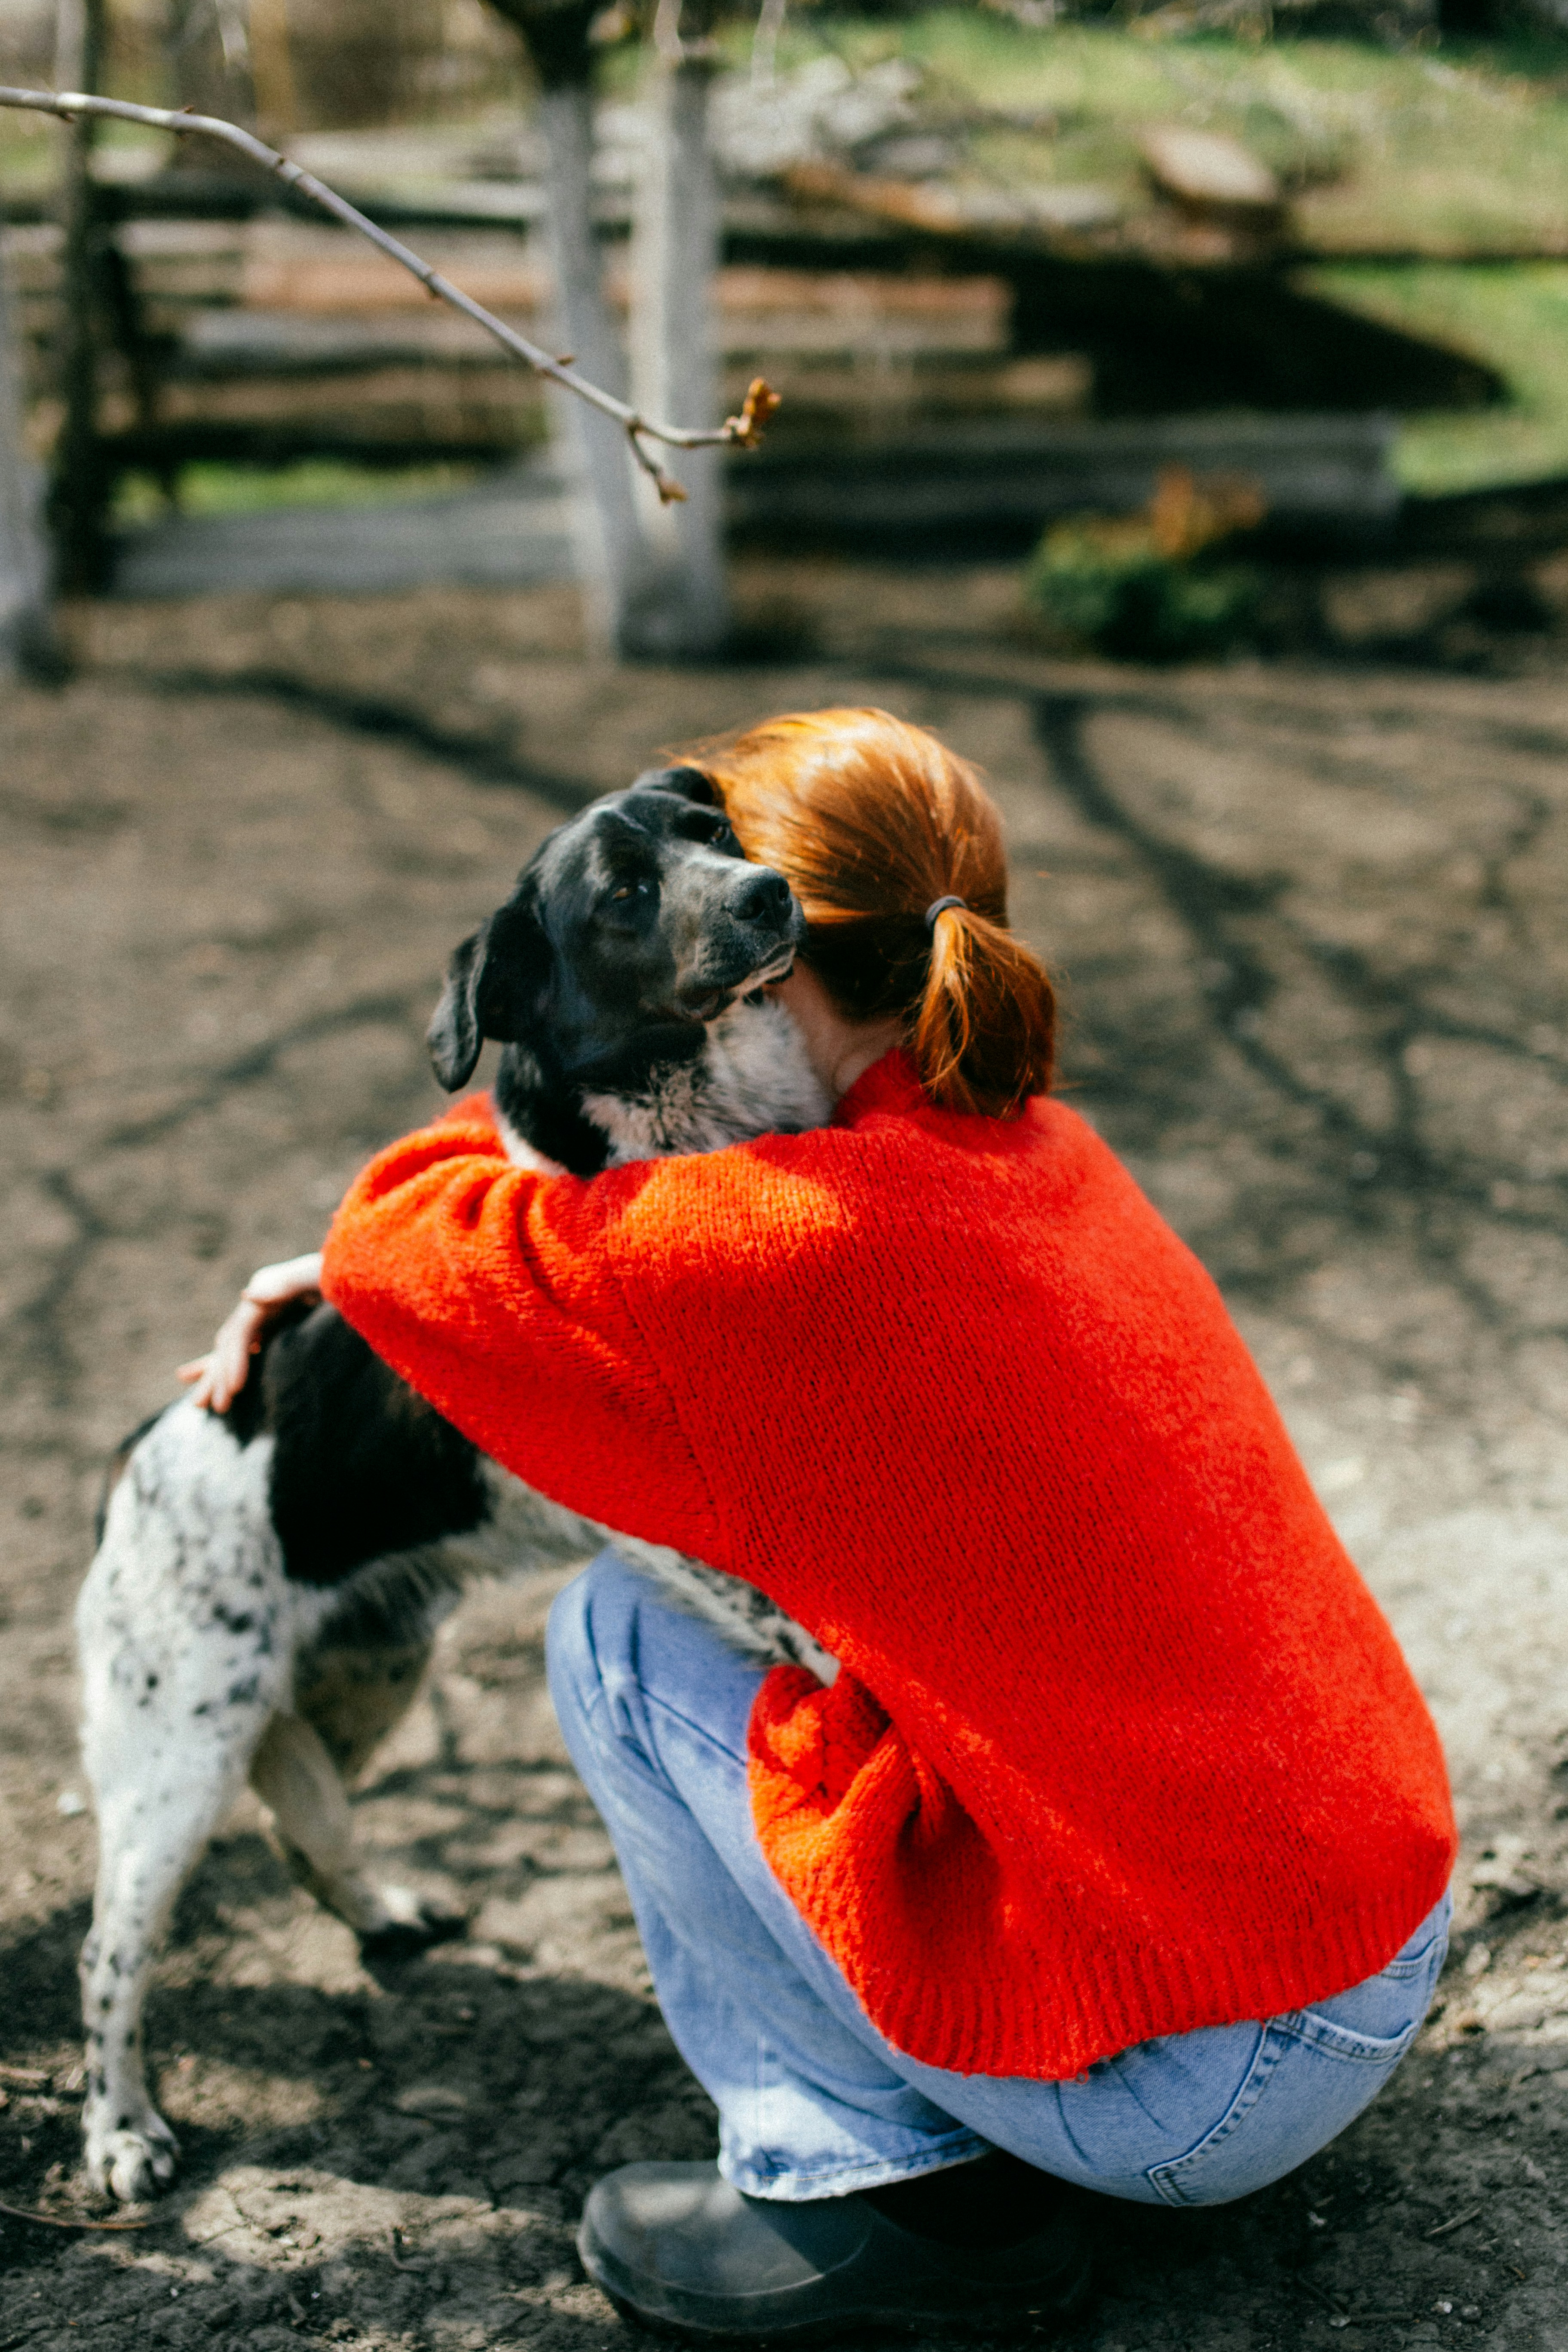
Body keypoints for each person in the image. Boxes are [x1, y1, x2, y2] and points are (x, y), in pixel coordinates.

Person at [190, 710, 1456, 2341]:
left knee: (619, 1636)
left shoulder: (760, 1262)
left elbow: (390, 1243)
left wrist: (425, 1279)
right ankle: (1006, 2085)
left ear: (761, 952)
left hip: (1205, 2087)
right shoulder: (1026, 1144)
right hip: (1372, 1948)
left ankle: (850, 2185)